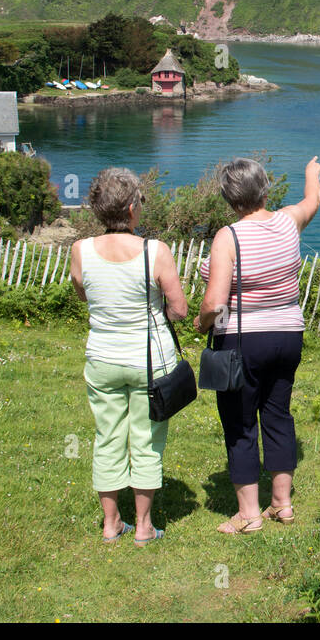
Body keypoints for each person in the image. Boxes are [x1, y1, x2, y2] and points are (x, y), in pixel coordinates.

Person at [196, 156, 320, 534]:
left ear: (228, 198)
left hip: (241, 340)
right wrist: (310, 174)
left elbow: (215, 303)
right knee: (278, 414)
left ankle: (249, 514)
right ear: (265, 189)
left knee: (239, 421)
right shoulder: (289, 221)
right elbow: (312, 200)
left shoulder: (228, 237)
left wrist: (203, 324)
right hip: (287, 335)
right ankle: (282, 504)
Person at [70, 167, 188, 546]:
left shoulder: (81, 250)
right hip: (150, 360)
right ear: (134, 208)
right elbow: (180, 309)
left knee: (107, 437)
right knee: (147, 440)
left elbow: (82, 293)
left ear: (97, 209)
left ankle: (110, 524)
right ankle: (143, 526)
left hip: (102, 358)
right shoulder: (155, 251)